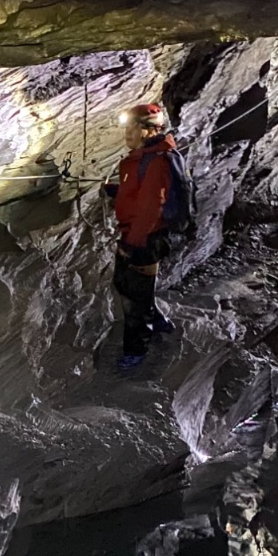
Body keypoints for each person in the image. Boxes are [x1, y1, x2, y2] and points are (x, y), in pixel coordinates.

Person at [104, 103, 186, 370]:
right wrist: (117, 191)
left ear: (150, 130)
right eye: (126, 127)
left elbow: (151, 207)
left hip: (146, 239)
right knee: (126, 285)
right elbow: (140, 192)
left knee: (135, 301)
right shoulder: (143, 157)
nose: (127, 133)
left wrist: (133, 244)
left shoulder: (157, 161)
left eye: (133, 127)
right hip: (138, 235)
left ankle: (135, 353)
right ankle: (159, 322)